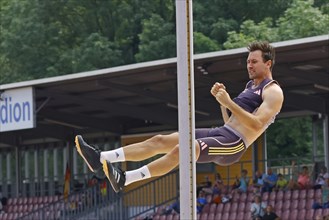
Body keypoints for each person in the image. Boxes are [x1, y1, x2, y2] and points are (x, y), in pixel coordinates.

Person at [74, 41, 284, 193]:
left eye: (254, 61)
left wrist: (228, 102)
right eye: (248, 61)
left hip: (235, 143)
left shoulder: (273, 91)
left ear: (268, 63)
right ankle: (100, 158)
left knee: (183, 149)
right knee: (160, 140)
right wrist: (223, 103)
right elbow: (231, 120)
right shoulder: (250, 87)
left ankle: (126, 179)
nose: (249, 65)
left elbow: (256, 124)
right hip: (222, 132)